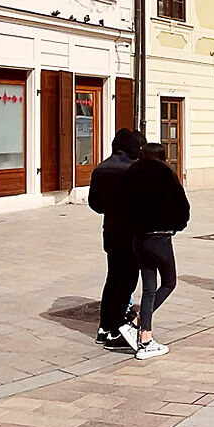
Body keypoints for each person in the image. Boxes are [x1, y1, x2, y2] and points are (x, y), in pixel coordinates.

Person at [120, 141, 189, 360]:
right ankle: (144, 333)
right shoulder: (166, 174)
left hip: (139, 238)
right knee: (169, 282)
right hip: (160, 236)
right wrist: (177, 226)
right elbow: (182, 207)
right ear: (162, 156)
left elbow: (123, 206)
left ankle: (140, 328)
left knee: (149, 287)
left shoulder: (131, 173)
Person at [88, 128, 145, 348]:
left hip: (111, 232)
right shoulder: (133, 169)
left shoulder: (100, 169)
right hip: (131, 233)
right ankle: (116, 328)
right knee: (127, 281)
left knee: (112, 279)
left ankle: (104, 327)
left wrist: (110, 210)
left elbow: (95, 204)